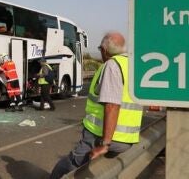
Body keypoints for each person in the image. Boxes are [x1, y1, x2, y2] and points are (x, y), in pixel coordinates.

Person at [50, 31, 143, 179]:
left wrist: (105, 144)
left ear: (105, 50)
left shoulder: (112, 65)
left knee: (68, 165)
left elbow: (112, 105)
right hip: (128, 138)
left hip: (102, 136)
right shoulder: (132, 65)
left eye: (100, 48)